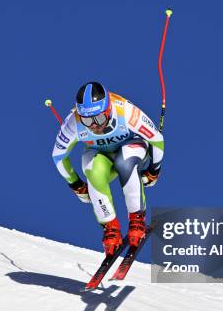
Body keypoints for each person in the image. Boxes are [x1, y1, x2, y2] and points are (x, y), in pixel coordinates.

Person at [52, 81, 164, 255]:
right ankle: (110, 227)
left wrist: (153, 170)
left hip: (132, 145)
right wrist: (76, 185)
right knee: (92, 172)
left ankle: (136, 219)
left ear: (108, 110)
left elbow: (156, 139)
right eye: (88, 120)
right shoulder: (73, 123)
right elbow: (58, 156)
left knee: (124, 163)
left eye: (100, 118)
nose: (95, 125)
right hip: (101, 153)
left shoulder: (125, 112)